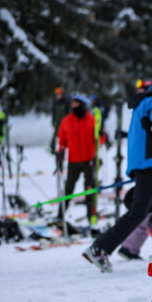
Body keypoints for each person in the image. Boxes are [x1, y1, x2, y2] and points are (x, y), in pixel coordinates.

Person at [83, 70, 152, 272]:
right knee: (139, 212)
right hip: (149, 163)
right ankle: (100, 247)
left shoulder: (148, 99)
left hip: (150, 163)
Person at [56, 93, 97, 223]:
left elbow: (99, 139)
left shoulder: (91, 119)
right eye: (72, 103)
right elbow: (61, 138)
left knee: (89, 189)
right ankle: (60, 215)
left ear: (82, 105)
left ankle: (91, 216)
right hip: (73, 160)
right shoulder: (66, 120)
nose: (73, 105)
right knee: (69, 187)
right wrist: (60, 151)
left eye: (76, 103)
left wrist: (102, 135)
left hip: (88, 160)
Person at [50, 87, 70, 153]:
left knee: (66, 136)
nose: (58, 96)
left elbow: (69, 113)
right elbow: (53, 114)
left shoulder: (66, 103)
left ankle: (67, 148)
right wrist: (53, 122)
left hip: (65, 123)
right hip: (58, 123)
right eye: (57, 94)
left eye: (59, 94)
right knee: (55, 136)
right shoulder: (55, 103)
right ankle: (52, 148)